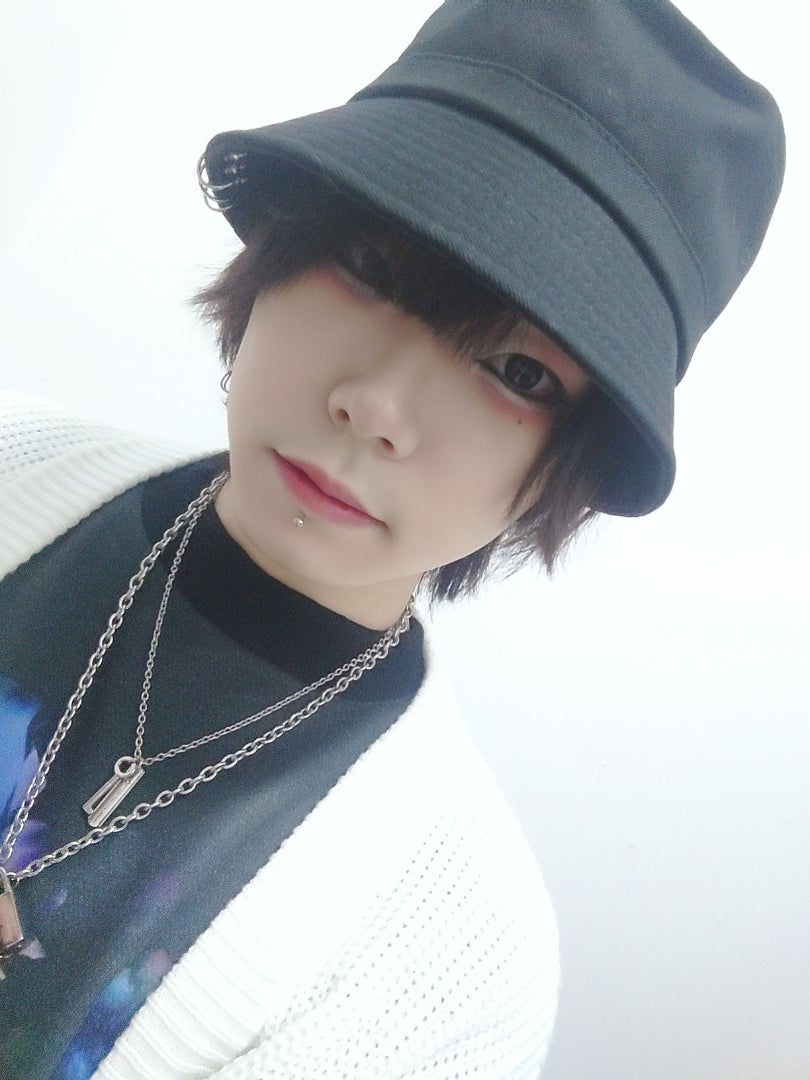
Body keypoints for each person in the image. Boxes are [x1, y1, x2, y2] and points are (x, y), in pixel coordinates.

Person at [0, 1, 783, 1077]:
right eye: (370, 264)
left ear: (578, 459)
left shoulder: (456, 961)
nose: (376, 407)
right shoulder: (12, 455)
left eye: (517, 371)